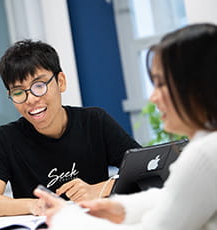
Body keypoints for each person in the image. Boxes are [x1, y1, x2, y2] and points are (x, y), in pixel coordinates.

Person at [34, 23, 217, 229]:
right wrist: (120, 207)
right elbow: (176, 196)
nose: (153, 98)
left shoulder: (204, 154)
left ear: (197, 86)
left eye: (161, 84)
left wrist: (66, 218)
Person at [0, 39, 140, 218]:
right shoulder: (6, 138)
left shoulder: (94, 121)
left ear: (60, 81)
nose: (30, 99)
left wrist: (98, 190)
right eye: (18, 92)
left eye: (39, 86)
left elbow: (145, 170)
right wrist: (37, 204)